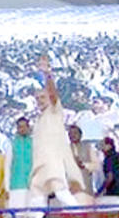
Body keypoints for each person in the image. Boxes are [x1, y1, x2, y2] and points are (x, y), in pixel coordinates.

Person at [29, 55, 84, 209]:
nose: (40, 100)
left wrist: (47, 75)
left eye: (42, 97)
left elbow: (53, 94)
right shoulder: (39, 119)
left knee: (61, 193)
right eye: (37, 98)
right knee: (37, 198)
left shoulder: (54, 111)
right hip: (39, 164)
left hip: (53, 162)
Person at [5, 117, 33, 216]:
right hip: (16, 186)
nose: (22, 129)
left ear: (29, 128)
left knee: (31, 216)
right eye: (20, 127)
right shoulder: (12, 144)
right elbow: (7, 166)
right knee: (18, 216)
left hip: (32, 186)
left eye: (25, 126)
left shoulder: (34, 143)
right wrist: (7, 188)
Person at [68, 125, 100, 194]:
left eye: (75, 133)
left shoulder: (87, 147)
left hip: (85, 187)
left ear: (80, 135)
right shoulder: (66, 149)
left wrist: (84, 165)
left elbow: (97, 166)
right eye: (70, 133)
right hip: (71, 189)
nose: (72, 135)